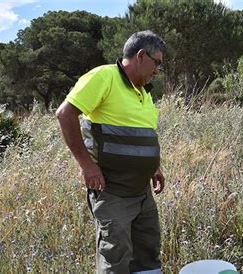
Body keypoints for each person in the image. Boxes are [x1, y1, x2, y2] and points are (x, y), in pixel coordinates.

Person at [56, 30, 166, 274]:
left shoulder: (144, 92)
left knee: (148, 254)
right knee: (115, 258)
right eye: (156, 62)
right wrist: (87, 166)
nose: (157, 70)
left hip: (142, 193)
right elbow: (65, 114)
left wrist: (154, 167)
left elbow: (142, 135)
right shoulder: (104, 76)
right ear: (140, 55)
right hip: (112, 191)